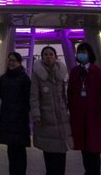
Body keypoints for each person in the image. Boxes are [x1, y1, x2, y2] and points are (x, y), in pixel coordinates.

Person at [68, 42, 101, 175]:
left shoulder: (97, 72)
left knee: (94, 147)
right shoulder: (74, 72)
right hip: (79, 116)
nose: (81, 54)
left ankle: (94, 172)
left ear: (90, 54)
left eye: (84, 52)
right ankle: (88, 171)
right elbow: (70, 93)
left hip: (94, 116)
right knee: (83, 147)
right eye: (79, 52)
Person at [29, 46, 71, 175]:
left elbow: (67, 94)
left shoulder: (63, 73)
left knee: (62, 151)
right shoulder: (37, 74)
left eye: (51, 54)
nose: (48, 56)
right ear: (42, 57)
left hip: (62, 117)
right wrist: (36, 114)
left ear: (55, 56)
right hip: (46, 118)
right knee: (49, 151)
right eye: (45, 54)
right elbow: (34, 96)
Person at [0, 52, 31, 175]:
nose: (11, 63)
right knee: (11, 149)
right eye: (9, 60)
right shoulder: (4, 78)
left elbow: (28, 99)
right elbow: (1, 94)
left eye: (13, 60)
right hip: (7, 117)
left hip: (20, 118)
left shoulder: (24, 78)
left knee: (20, 149)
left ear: (19, 62)